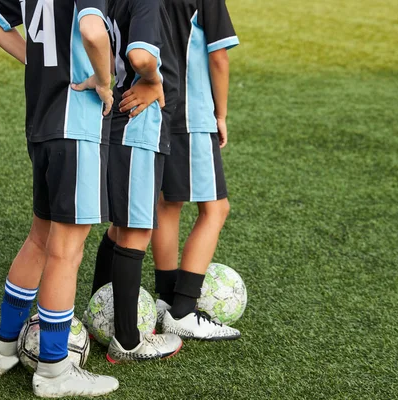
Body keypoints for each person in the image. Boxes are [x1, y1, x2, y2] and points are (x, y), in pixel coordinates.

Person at [0, 0, 119, 397]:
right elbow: (92, 31)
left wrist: (37, 63)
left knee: (40, 238)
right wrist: (104, 80)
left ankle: (3, 350)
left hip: (42, 124)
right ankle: (54, 371)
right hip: (77, 124)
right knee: (65, 251)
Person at [88, 0, 183, 363]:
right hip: (137, 124)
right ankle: (128, 341)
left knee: (120, 228)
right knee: (135, 230)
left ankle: (101, 312)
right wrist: (153, 79)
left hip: (115, 121)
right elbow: (142, 56)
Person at [149, 0, 242, 340]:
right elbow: (218, 56)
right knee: (216, 208)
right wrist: (221, 113)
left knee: (168, 203)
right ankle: (184, 309)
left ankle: (166, 298)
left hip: (155, 106)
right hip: (190, 113)